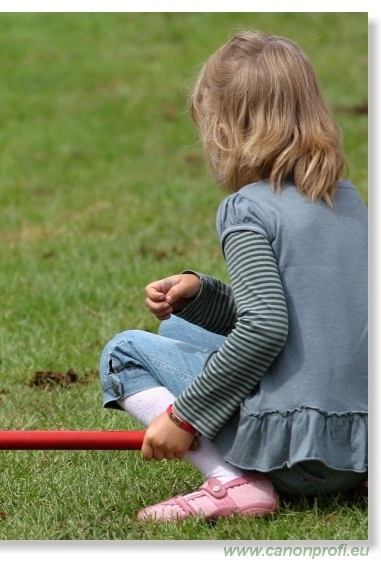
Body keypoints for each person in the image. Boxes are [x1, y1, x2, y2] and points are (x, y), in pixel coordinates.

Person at [99, 31, 368, 522]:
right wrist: (201, 296)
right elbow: (311, 320)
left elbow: (265, 327)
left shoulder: (245, 209)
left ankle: (233, 481)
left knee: (123, 353)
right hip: (361, 451)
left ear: (224, 128)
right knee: (180, 327)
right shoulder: (351, 203)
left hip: (301, 459)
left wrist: (184, 417)